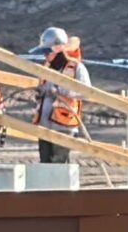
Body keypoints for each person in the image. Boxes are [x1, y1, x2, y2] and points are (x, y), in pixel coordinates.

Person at [32, 26, 89, 165]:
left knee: (59, 167)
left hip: (64, 127)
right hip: (44, 127)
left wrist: (61, 92)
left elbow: (87, 93)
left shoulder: (76, 68)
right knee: (45, 165)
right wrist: (41, 93)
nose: (45, 56)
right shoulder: (47, 68)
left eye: (47, 52)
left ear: (57, 50)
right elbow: (44, 89)